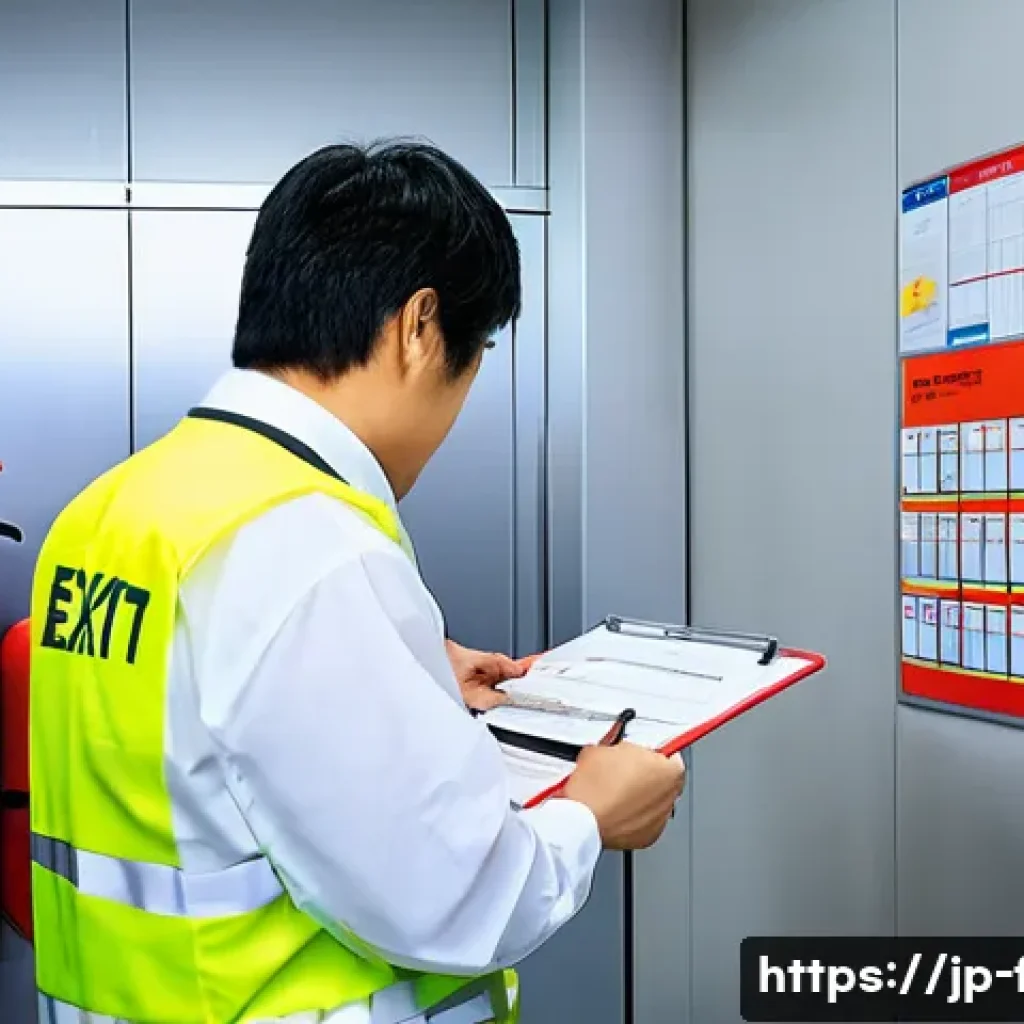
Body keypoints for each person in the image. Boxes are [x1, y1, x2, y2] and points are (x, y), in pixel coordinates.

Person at [28, 141, 685, 1024]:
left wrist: (402, 675)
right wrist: (590, 817)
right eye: (477, 348)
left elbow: (192, 736)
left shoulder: (112, 508)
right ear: (420, 327)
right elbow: (443, 897)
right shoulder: (309, 543)